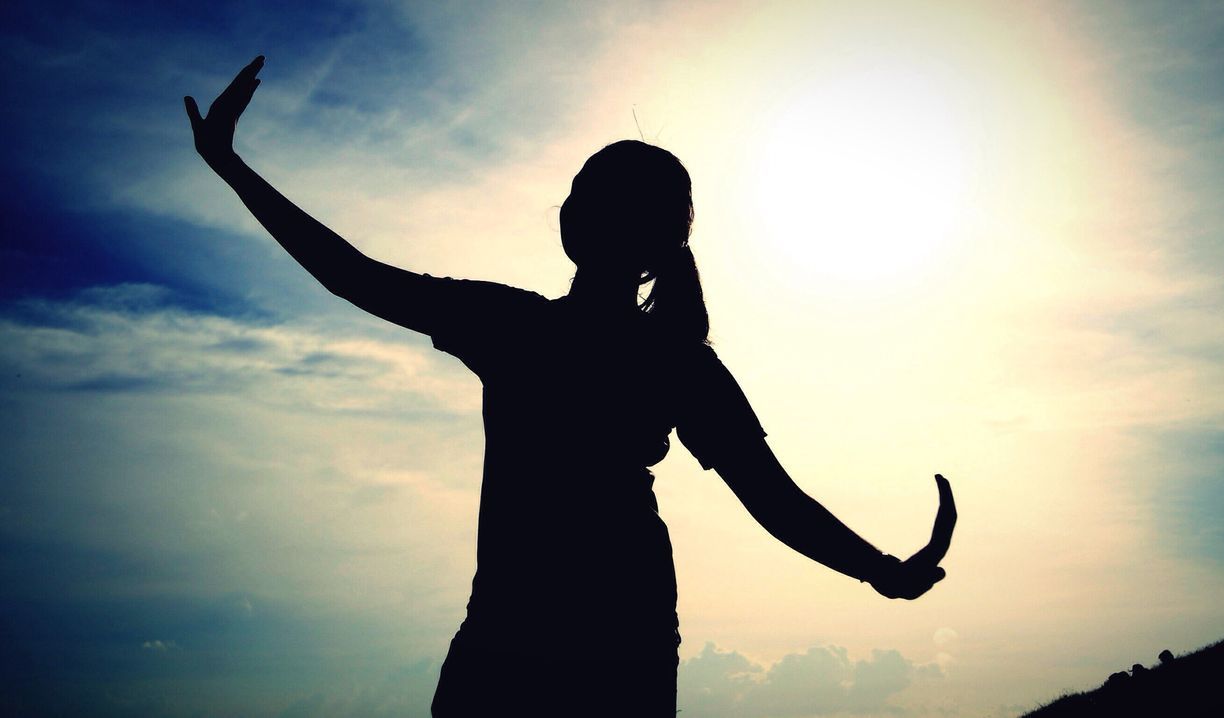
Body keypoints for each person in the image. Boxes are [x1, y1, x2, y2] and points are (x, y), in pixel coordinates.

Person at [185, 56, 957, 718]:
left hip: (522, 636)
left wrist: (229, 167)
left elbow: (351, 275)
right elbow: (774, 500)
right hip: (621, 632)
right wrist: (882, 571)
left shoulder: (514, 327)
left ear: (573, 224)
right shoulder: (677, 360)